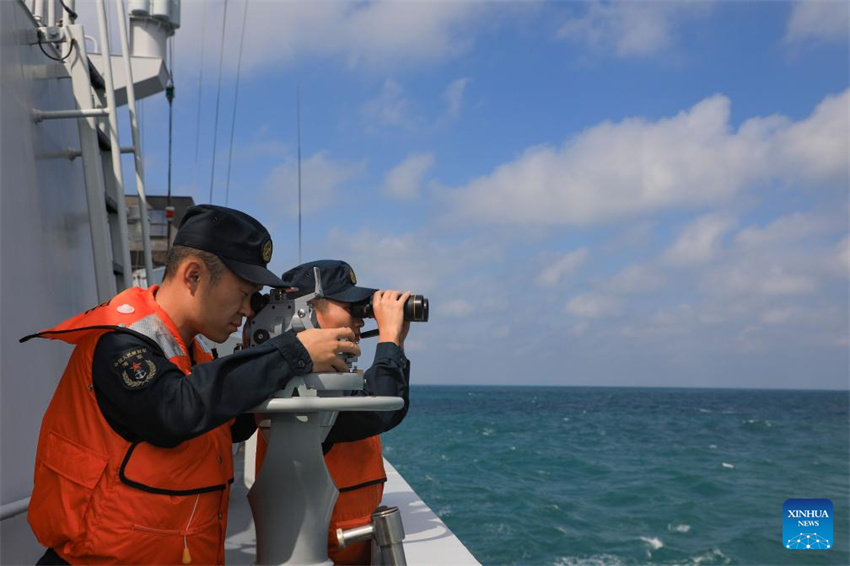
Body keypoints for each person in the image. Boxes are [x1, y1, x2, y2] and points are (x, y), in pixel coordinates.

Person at [21, 206, 360, 566]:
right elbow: (175, 412)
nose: (248, 310)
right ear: (194, 275)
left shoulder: (191, 353)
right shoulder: (119, 342)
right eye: (244, 294)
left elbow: (225, 425)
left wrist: (266, 366)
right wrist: (290, 353)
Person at [255, 259, 412, 565]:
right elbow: (380, 410)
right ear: (307, 310)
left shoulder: (326, 375)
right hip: (321, 547)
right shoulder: (297, 382)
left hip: (348, 541)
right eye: (350, 307)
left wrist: (397, 342)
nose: (361, 320)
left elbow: (383, 406)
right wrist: (389, 339)